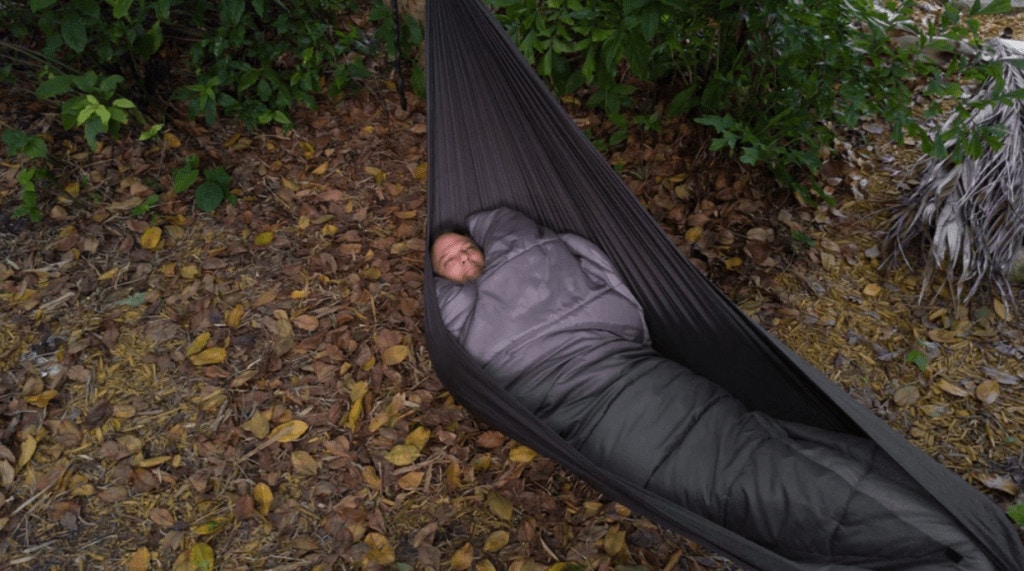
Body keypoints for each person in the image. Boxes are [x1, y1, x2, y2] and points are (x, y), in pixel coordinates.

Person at [431, 207, 995, 570]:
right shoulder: (455, 315)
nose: (462, 257)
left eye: (464, 246)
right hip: (594, 415)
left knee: (764, 448)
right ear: (442, 281)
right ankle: (939, 545)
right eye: (449, 262)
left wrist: (625, 332)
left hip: (645, 378)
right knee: (742, 488)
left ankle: (941, 534)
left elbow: (600, 275)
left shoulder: (530, 248)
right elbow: (480, 370)